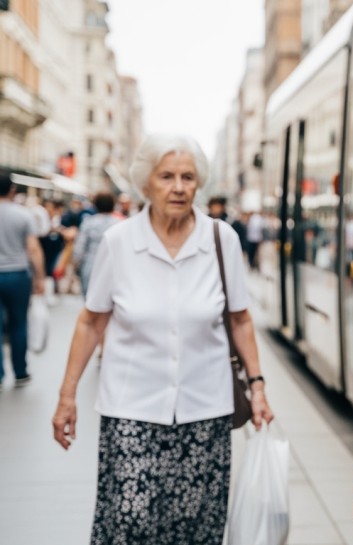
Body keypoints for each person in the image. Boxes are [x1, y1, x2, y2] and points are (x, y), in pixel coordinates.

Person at [51, 134, 275, 544]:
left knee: (195, 530)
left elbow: (241, 320)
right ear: (146, 183)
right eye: (167, 176)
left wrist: (257, 387)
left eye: (187, 177)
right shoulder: (119, 242)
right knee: (129, 524)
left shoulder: (221, 239)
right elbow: (91, 322)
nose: (178, 187)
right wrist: (68, 396)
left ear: (198, 183)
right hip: (130, 411)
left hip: (205, 413)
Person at [0, 170, 46, 390]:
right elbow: (33, 249)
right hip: (18, 274)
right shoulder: (23, 215)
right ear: (12, 189)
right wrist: (40, 277)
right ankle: (20, 371)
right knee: (19, 323)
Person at [72, 192, 120, 296]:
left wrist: (75, 265)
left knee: (89, 298)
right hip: (113, 266)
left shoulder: (88, 222)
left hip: (90, 265)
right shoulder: (119, 224)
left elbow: (80, 246)